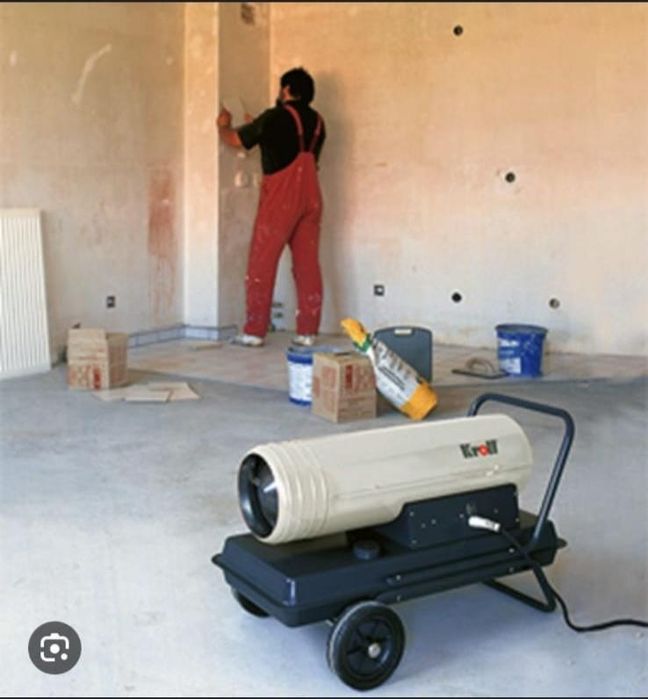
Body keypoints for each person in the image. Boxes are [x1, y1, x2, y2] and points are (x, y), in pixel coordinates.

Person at [216, 67, 326, 348]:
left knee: (262, 263)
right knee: (307, 265)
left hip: (282, 199)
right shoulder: (318, 122)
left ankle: (254, 332)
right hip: (312, 198)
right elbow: (292, 146)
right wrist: (259, 125)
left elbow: (236, 140)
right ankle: (308, 332)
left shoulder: (275, 116)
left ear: (286, 90)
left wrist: (223, 126)